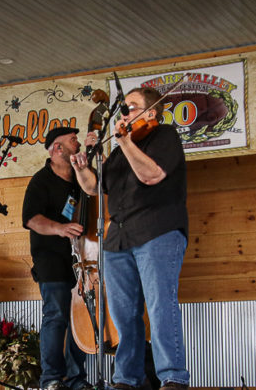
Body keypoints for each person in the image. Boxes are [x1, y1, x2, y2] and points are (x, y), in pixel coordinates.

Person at [70, 87, 190, 390]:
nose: (124, 114)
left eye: (132, 107)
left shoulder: (164, 136)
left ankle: (173, 377)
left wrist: (123, 141)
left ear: (151, 113)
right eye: (123, 109)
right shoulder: (121, 150)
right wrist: (82, 166)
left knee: (161, 306)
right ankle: (127, 378)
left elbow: (151, 175)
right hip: (119, 238)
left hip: (157, 231)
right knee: (123, 314)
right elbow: (93, 189)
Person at [22, 127, 89, 390]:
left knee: (80, 316)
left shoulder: (80, 178)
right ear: (57, 149)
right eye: (73, 140)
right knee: (56, 315)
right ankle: (50, 379)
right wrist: (60, 228)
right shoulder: (40, 180)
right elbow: (31, 219)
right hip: (50, 257)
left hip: (82, 259)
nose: (78, 143)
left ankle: (76, 378)